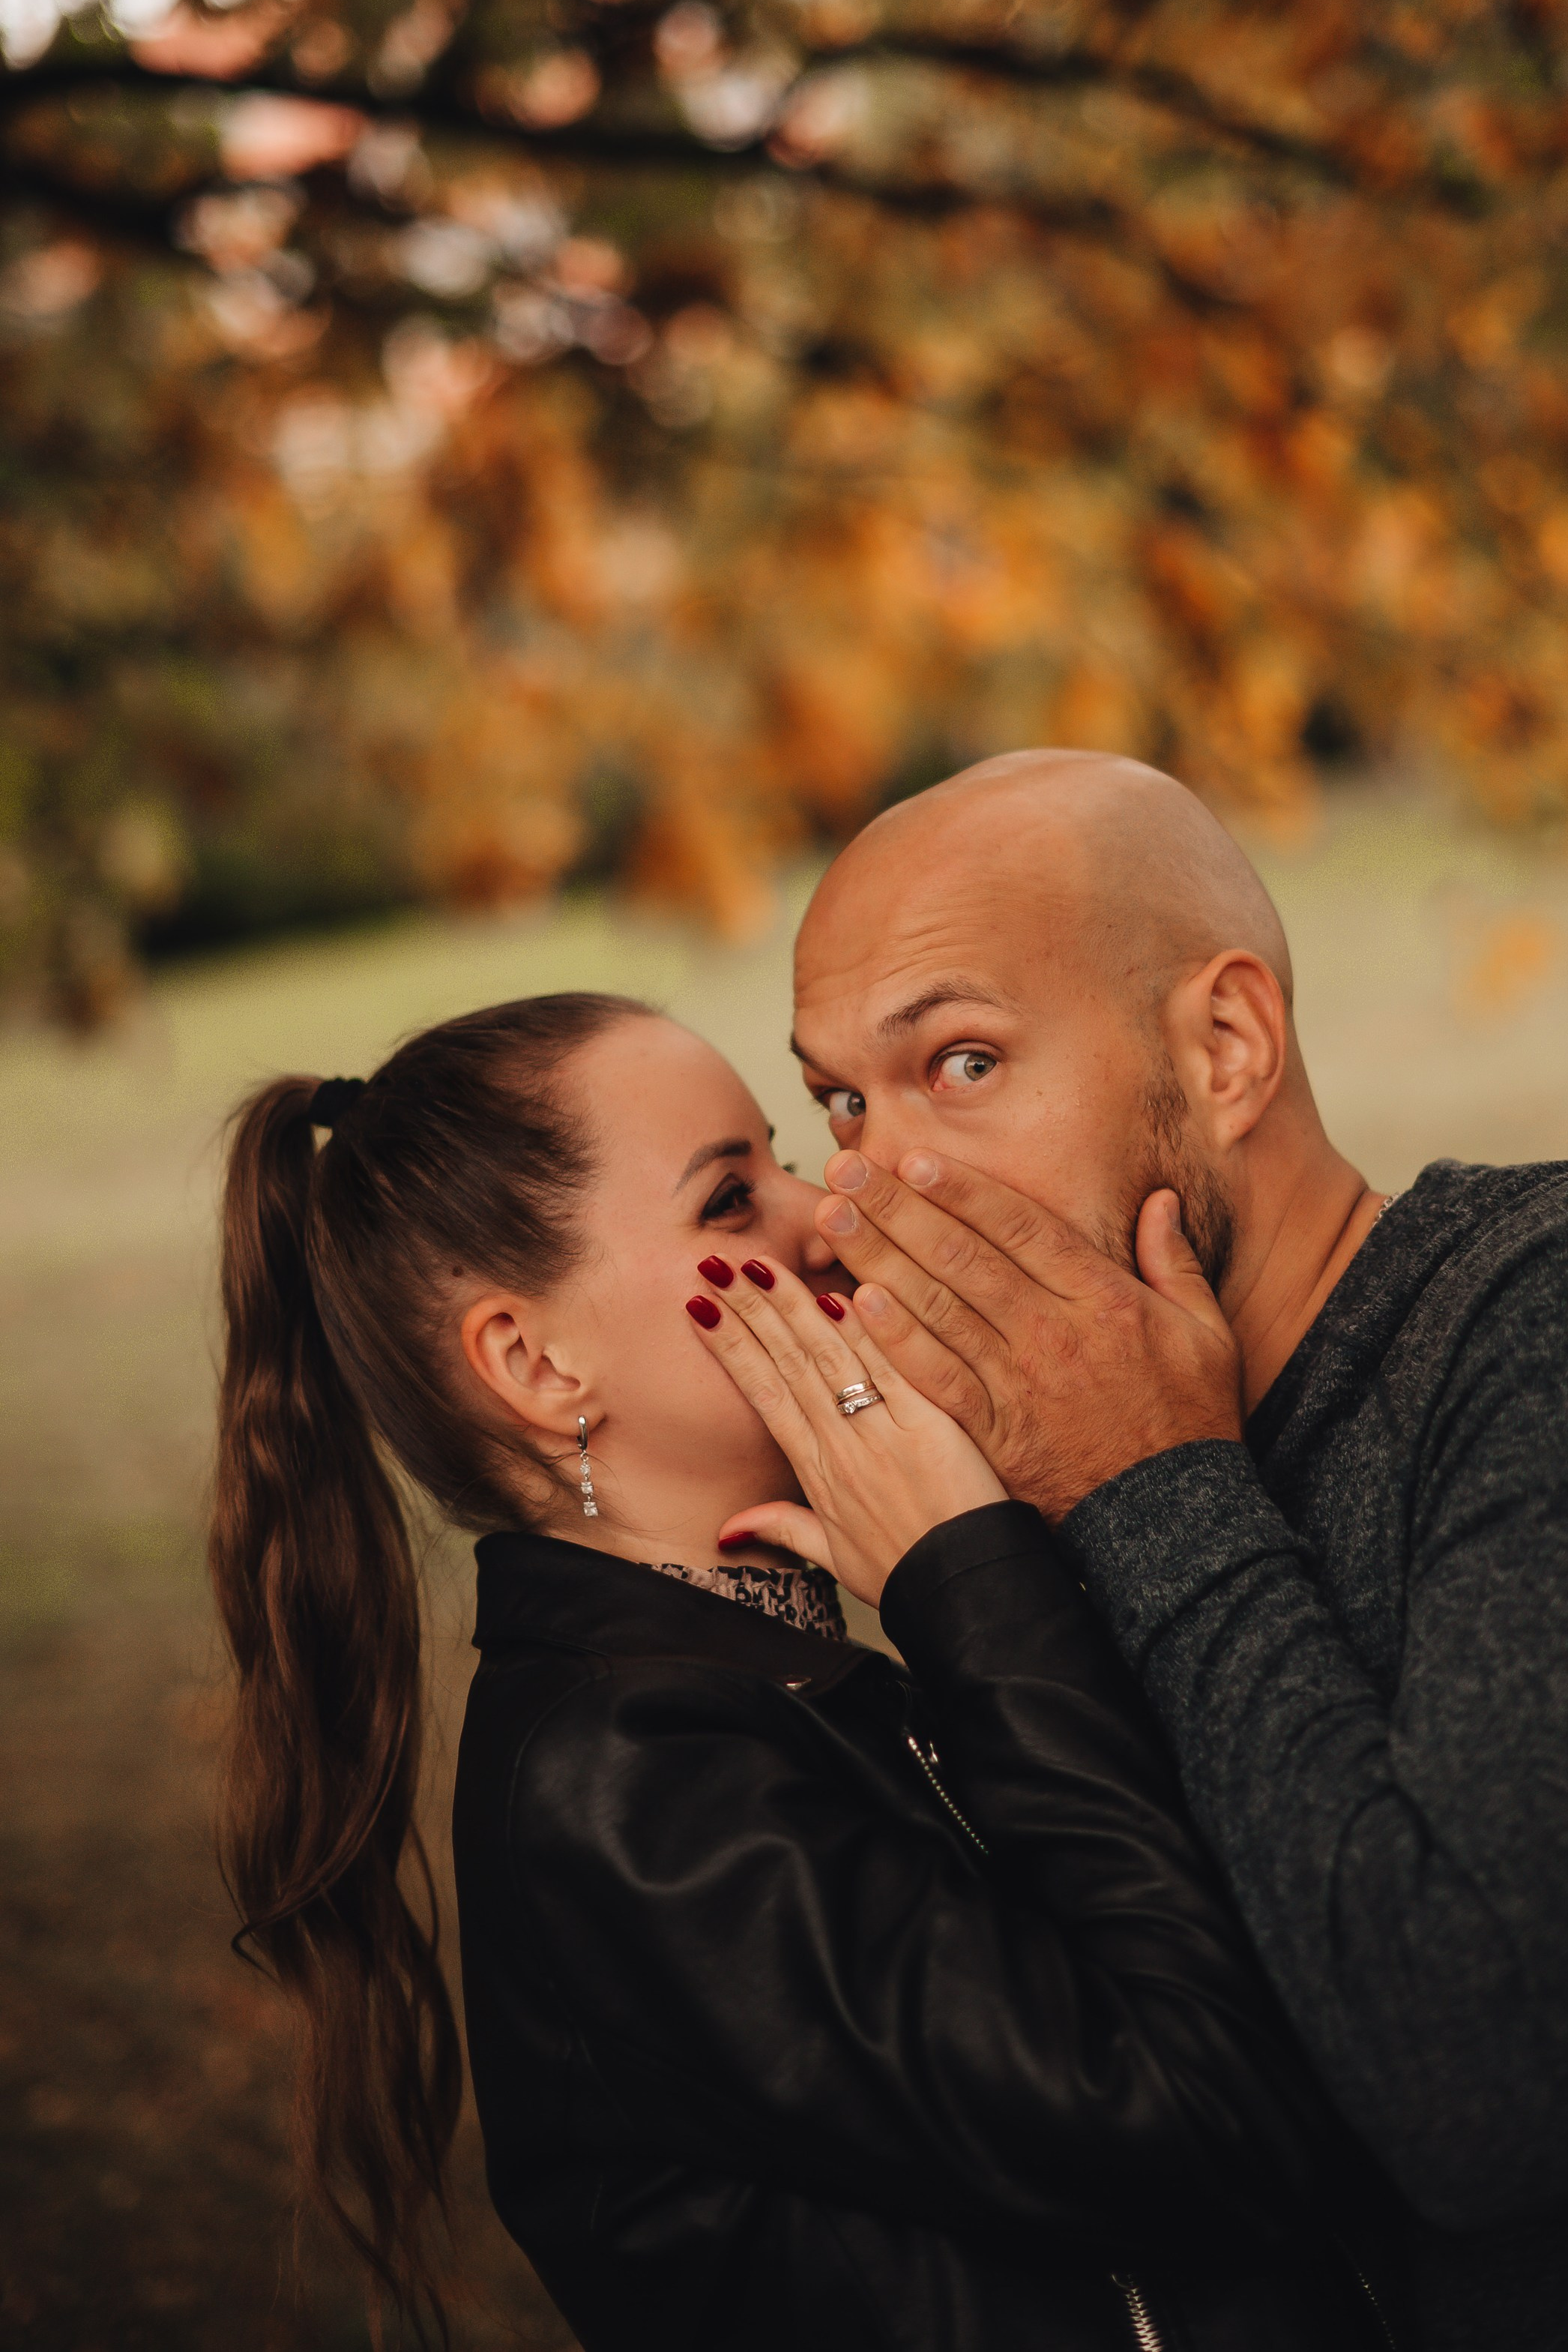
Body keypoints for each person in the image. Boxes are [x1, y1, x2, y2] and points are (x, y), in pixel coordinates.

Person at [207, 992, 1403, 2352]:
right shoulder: (631, 1786)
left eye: (780, 1156)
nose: (830, 1207)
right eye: (728, 1199)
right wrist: (972, 1577)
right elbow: (1204, 2117)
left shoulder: (764, 1677)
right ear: (534, 1362)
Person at [744, 747, 1568, 2352]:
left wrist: (1147, 1477)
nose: (862, 1192)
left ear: (1222, 1048)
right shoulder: (1051, 1514)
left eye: (964, 1062)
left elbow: (1482, 2090)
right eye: (839, 1102)